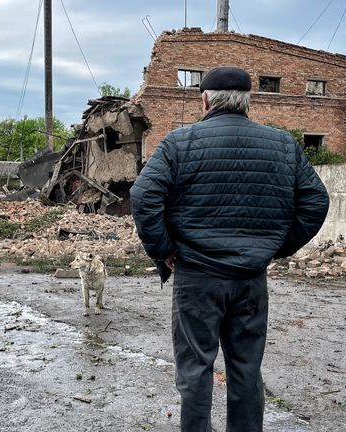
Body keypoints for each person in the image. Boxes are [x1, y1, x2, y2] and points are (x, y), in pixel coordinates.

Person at [130, 66, 329, 432]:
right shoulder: (282, 144)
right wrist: (275, 247)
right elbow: (316, 200)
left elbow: (143, 196)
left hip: (197, 278)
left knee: (195, 370)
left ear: (205, 99)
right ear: (248, 101)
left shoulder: (179, 143)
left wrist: (166, 250)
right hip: (250, 279)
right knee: (246, 369)